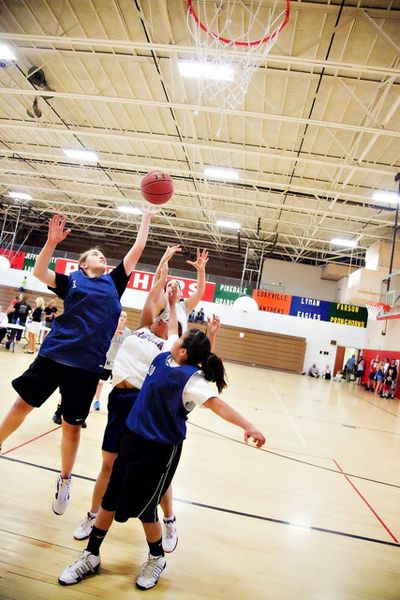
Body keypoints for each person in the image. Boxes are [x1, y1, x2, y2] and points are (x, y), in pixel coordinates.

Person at [58, 290, 265, 591]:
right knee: (111, 499)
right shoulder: (168, 353)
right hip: (132, 438)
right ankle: (91, 555)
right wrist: (172, 302)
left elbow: (218, 405)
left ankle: (156, 558)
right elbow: (173, 331)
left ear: (183, 352)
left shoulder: (192, 381)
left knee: (146, 508)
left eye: (180, 338)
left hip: (159, 450)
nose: (174, 334)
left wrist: (249, 426)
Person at [0, 209, 158, 516]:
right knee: (21, 405)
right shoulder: (70, 280)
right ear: (83, 264)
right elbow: (39, 271)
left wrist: (146, 218)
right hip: (55, 354)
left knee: (72, 428)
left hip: (86, 366)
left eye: (102, 254)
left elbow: (137, 249)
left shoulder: (114, 282)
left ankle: (65, 479)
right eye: (95, 254)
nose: (102, 256)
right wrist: (51, 242)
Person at [154, 245, 209, 335]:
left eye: (176, 285)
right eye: (169, 285)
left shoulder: (184, 307)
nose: (173, 286)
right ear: (164, 293)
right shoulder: (162, 304)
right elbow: (156, 285)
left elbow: (200, 291)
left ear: (181, 294)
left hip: (176, 347)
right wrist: (164, 260)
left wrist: (201, 270)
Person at [92, 310, 131, 411]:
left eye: (124, 317)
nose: (122, 318)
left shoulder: (128, 332)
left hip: (117, 363)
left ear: (126, 320)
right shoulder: (110, 327)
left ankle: (114, 404)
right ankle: (96, 401)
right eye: (121, 316)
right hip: (105, 360)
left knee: (117, 385)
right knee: (100, 383)